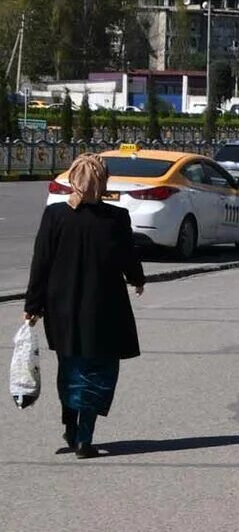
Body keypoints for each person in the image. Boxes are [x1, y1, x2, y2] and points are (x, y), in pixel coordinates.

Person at [23, 152, 145, 460]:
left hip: (60, 308)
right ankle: (84, 438)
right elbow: (127, 257)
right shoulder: (115, 218)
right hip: (103, 309)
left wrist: (33, 304)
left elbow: (41, 261)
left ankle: (70, 423)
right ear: (102, 183)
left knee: (70, 367)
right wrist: (137, 278)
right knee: (98, 370)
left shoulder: (55, 216)